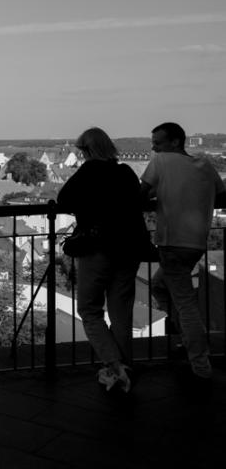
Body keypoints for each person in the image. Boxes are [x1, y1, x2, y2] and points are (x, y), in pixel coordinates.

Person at [57, 127, 147, 393]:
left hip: (98, 248)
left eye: (82, 151)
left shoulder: (89, 171)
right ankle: (122, 369)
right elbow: (137, 202)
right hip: (129, 248)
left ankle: (115, 365)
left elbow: (64, 199)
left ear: (88, 151)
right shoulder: (126, 172)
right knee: (121, 311)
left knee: (89, 309)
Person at [141, 122, 226, 385]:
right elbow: (221, 195)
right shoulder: (204, 164)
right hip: (196, 242)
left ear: (174, 142)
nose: (153, 147)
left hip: (172, 242)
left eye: (157, 142)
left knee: (185, 303)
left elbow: (139, 196)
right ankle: (188, 339)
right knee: (159, 286)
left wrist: (159, 196)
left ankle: (200, 363)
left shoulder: (161, 162)